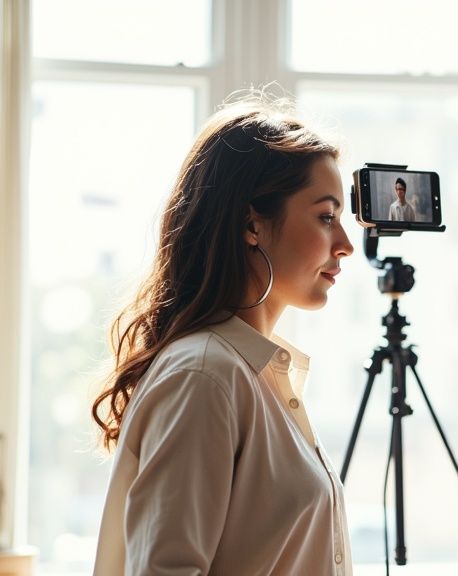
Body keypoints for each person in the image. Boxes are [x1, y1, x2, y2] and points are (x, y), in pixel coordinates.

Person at [92, 95, 356, 575]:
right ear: (252, 224)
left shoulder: (256, 375)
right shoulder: (205, 376)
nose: (346, 245)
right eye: (325, 217)